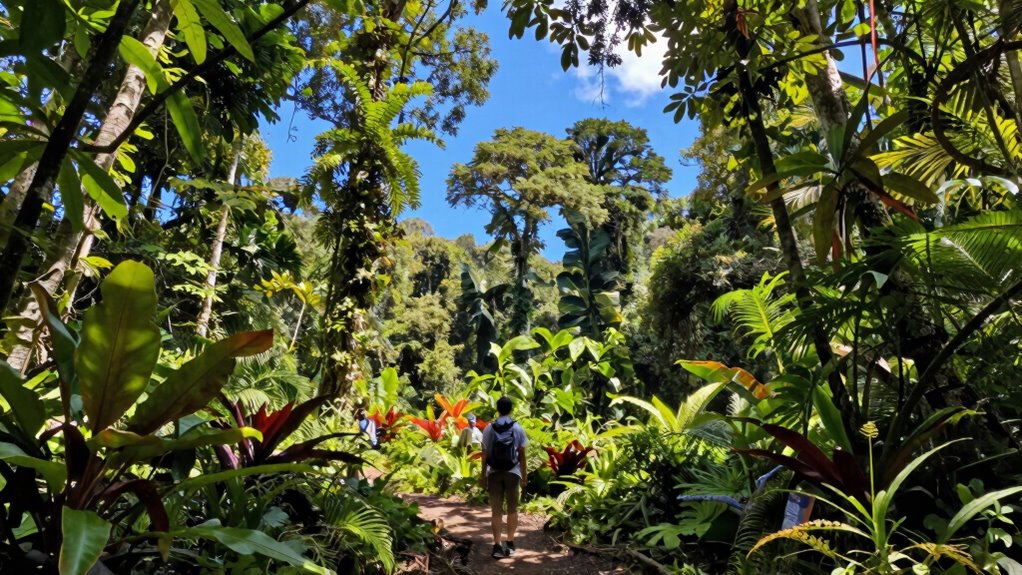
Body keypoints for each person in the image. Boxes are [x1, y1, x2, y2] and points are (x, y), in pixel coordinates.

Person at [480, 396, 527, 559]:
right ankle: (511, 543)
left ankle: (497, 546)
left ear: (497, 408)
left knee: (496, 511)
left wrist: (482, 476)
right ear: (511, 409)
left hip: (494, 473)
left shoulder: (489, 428)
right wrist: (524, 476)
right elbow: (522, 454)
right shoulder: (518, 428)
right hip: (513, 473)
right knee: (512, 509)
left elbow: (484, 454)